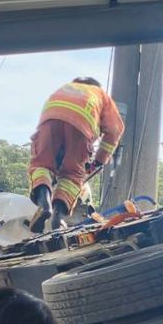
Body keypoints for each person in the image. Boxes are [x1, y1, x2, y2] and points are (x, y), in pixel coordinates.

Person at [28, 77, 124, 233]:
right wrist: (99, 160)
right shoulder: (101, 95)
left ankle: (44, 204)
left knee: (42, 165)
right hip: (81, 126)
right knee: (72, 175)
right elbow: (115, 130)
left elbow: (58, 118)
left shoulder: (66, 87)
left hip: (49, 119)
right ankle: (57, 219)